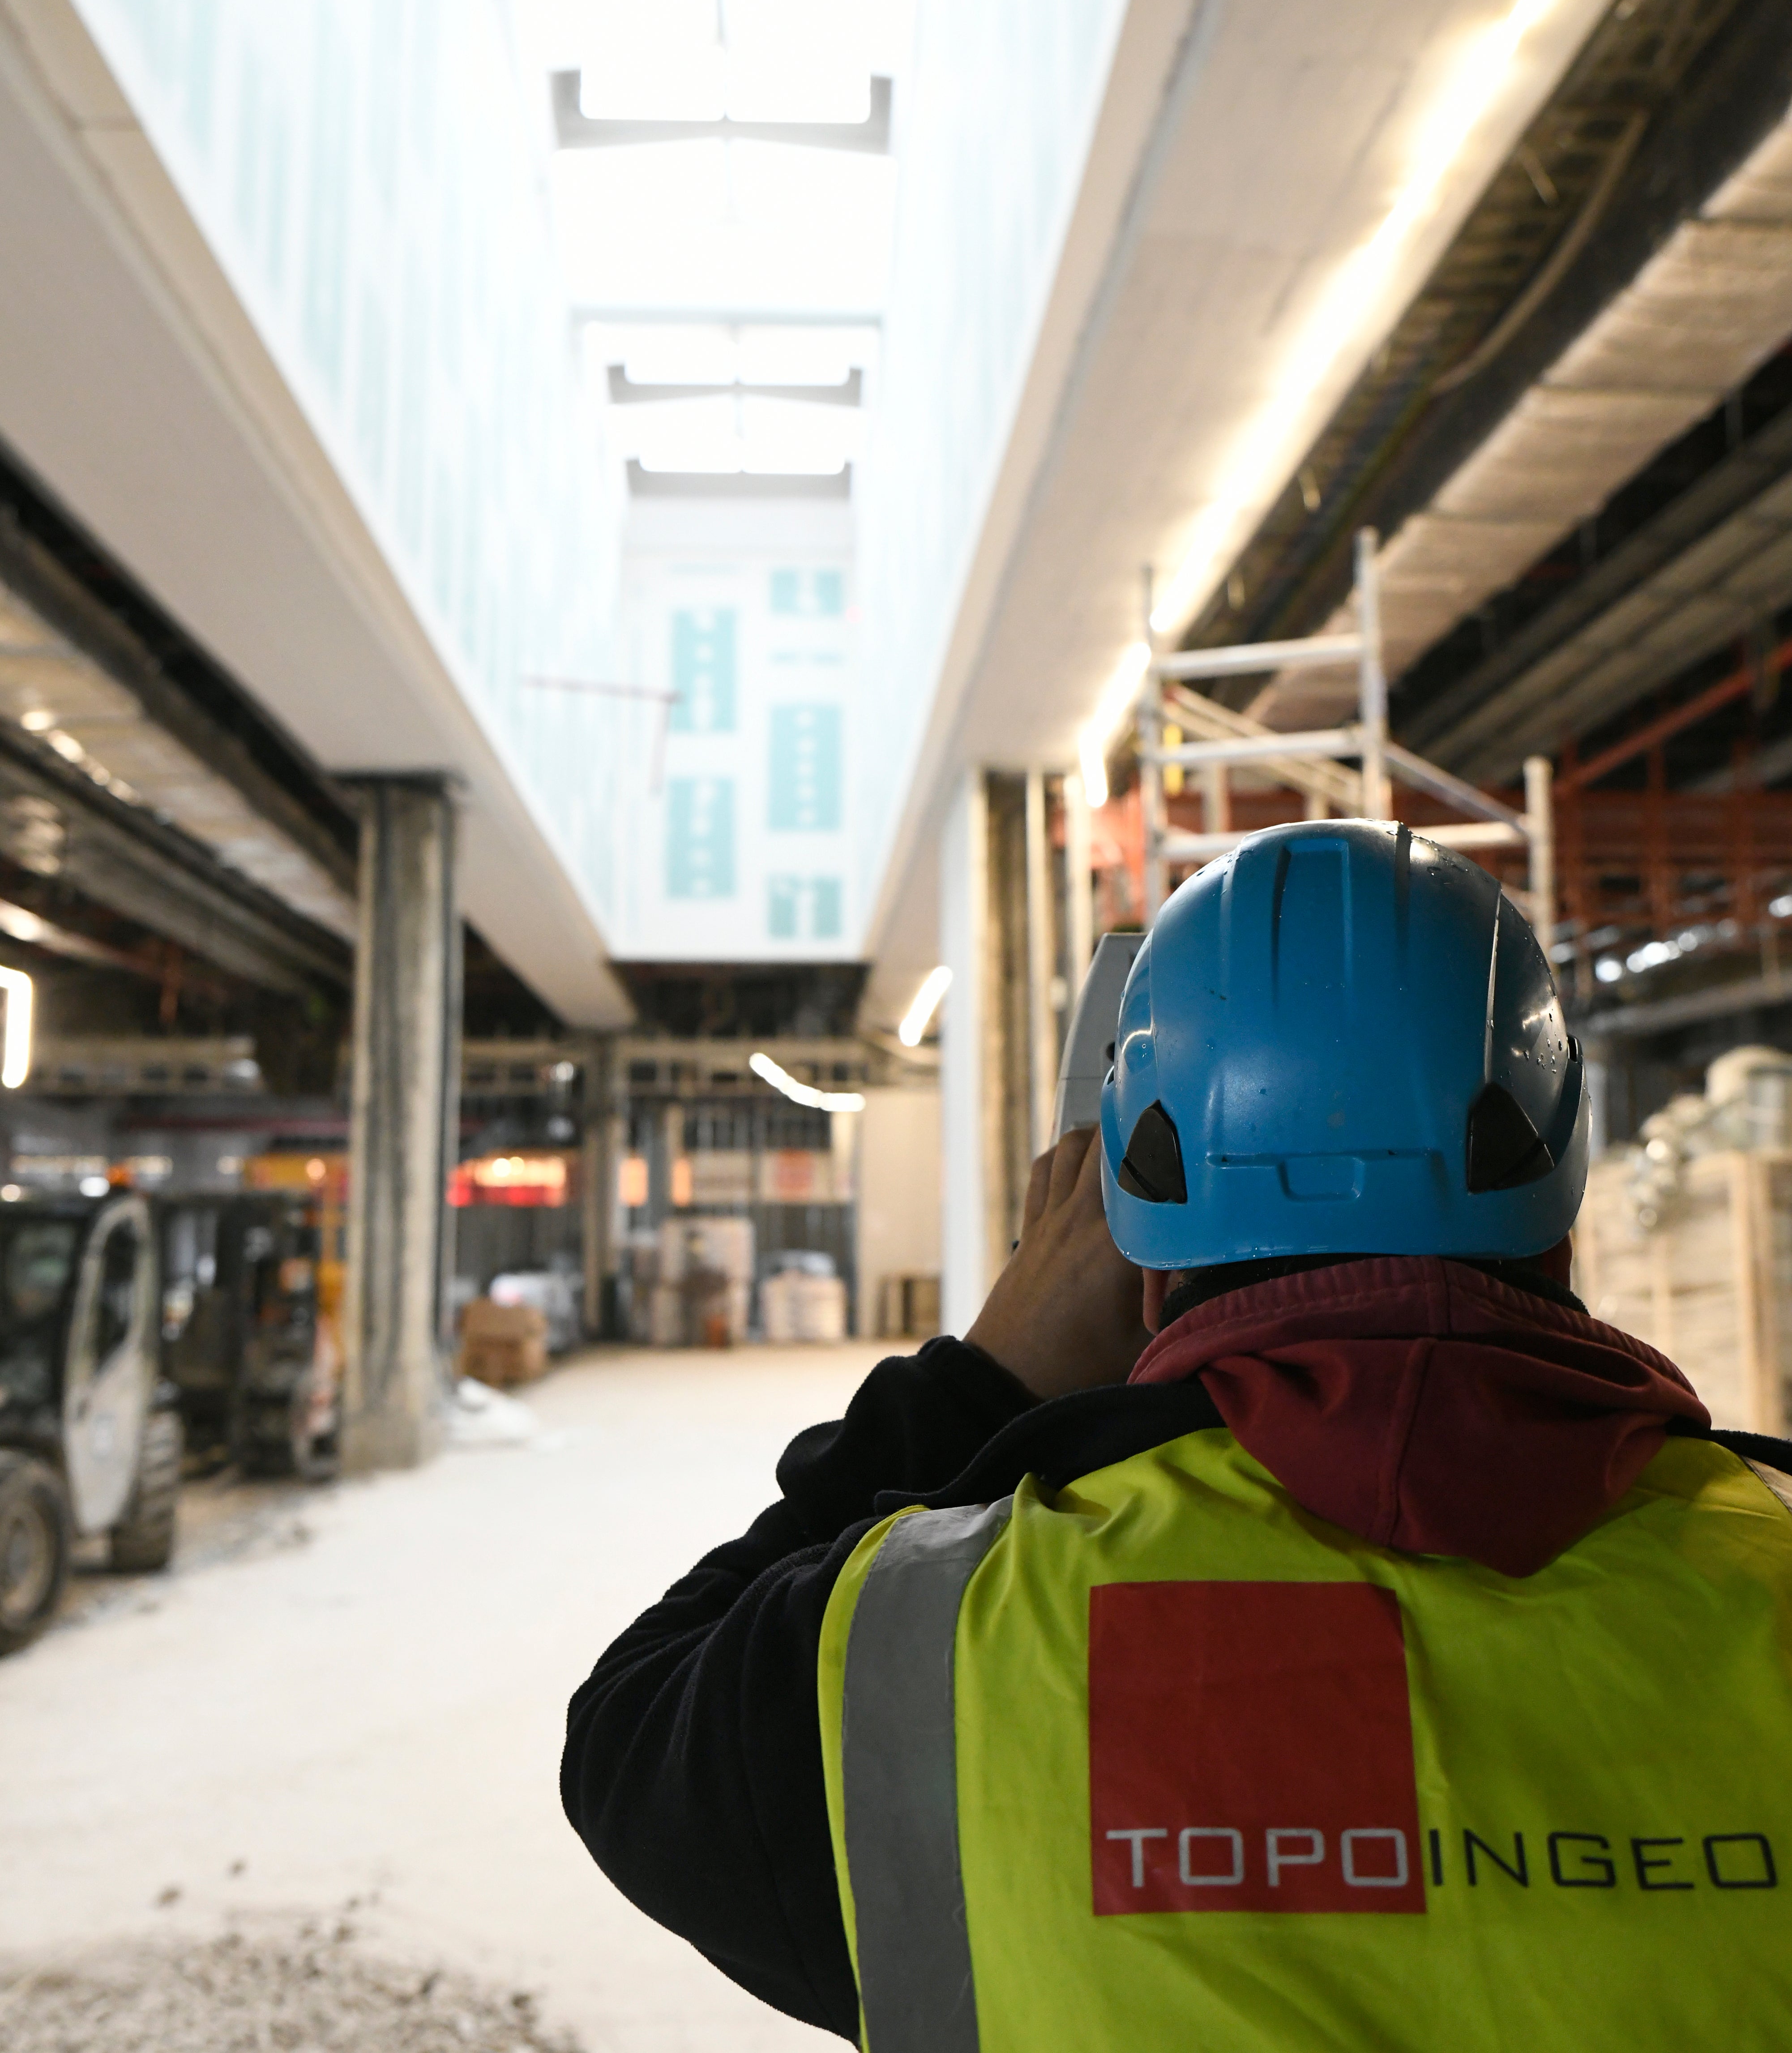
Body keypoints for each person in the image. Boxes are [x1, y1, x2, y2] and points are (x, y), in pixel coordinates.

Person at [562, 823, 1792, 2048]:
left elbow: (633, 1736)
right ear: (1557, 1209)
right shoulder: (1766, 1583)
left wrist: (984, 1377)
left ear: (1133, 1265)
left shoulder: (944, 1642)